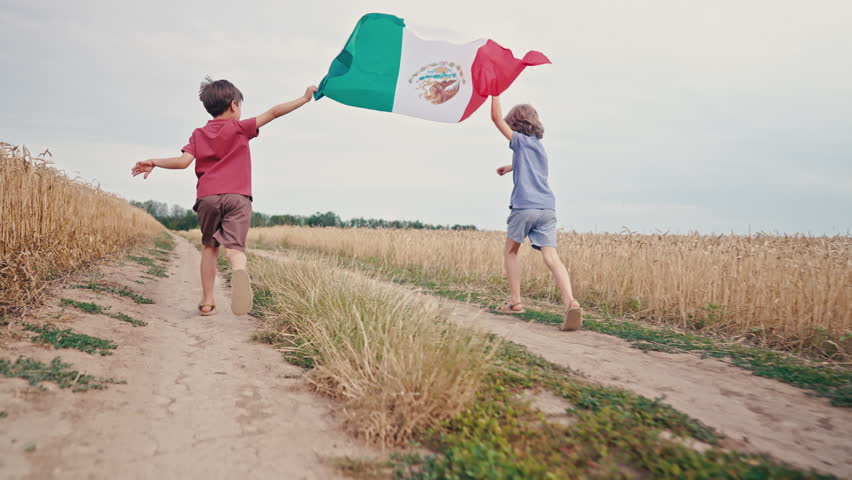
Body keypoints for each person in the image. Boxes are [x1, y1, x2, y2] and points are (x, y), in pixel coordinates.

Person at [132, 77, 317, 316]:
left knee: (210, 247)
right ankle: (238, 269)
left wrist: (154, 162)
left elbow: (182, 162)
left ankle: (208, 300)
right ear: (233, 105)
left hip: (208, 197)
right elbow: (273, 113)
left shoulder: (199, 134)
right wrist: (304, 98)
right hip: (238, 197)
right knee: (234, 249)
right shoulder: (240, 128)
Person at [490, 95, 582, 331]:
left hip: (524, 206)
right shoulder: (540, 148)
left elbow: (495, 118)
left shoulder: (518, 141)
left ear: (516, 125)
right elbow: (532, 167)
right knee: (552, 258)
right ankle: (570, 302)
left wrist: (495, 94)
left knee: (511, 252)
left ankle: (515, 302)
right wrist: (510, 167)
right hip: (547, 208)